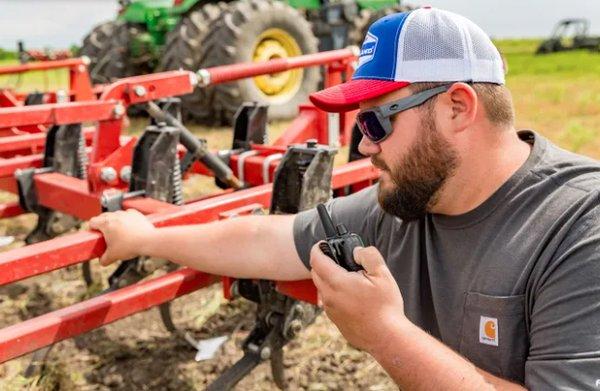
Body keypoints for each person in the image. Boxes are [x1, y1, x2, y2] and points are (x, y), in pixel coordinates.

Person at [90, 8, 600, 390]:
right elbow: (267, 239)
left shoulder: (579, 227)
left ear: (457, 107)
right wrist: (148, 235)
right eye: (358, 124)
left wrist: (383, 332)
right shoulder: (408, 205)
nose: (362, 145)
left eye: (376, 120)